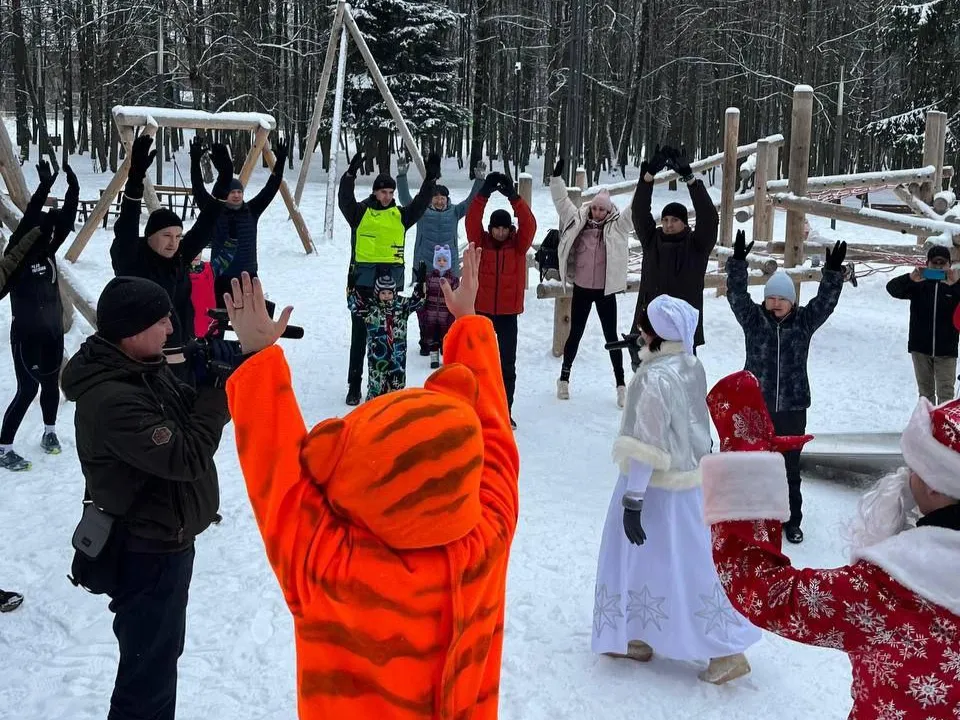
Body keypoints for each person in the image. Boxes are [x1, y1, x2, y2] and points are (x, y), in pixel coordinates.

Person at [223, 247, 520, 719]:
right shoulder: (488, 537)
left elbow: (279, 480)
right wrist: (469, 325)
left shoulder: (333, 569)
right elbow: (497, 442)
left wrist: (258, 359)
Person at [702, 370, 960, 719]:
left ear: (935, 486)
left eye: (914, 465)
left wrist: (746, 457)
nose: (906, 473)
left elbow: (761, 589)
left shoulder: (884, 592)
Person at [61, 276, 232, 720]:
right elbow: (187, 454)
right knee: (147, 678)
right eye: (161, 322)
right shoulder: (111, 398)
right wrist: (217, 391)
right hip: (147, 552)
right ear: (131, 330)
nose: (170, 330)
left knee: (157, 663)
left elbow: (180, 407)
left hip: (166, 542)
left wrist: (203, 366)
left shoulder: (138, 367)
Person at [592, 295, 760, 684]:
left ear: (657, 334)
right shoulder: (689, 364)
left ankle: (725, 649)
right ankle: (639, 633)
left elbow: (647, 443)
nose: (638, 334)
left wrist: (633, 498)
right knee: (666, 562)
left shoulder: (653, 378)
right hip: (689, 486)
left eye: (643, 327)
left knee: (676, 565)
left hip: (655, 489)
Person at [725, 230, 846, 544]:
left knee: (789, 468)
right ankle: (755, 517)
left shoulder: (803, 322)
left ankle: (791, 519)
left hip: (792, 407)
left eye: (782, 298)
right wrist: (737, 263)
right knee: (755, 464)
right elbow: (736, 295)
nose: (775, 303)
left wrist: (832, 274)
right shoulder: (754, 320)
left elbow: (825, 304)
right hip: (757, 405)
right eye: (771, 297)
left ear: (793, 302)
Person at [112, 135, 232, 377]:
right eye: (167, 235)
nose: (173, 242)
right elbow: (127, 223)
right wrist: (135, 177)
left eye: (178, 236)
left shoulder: (178, 257)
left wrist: (225, 180)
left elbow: (206, 223)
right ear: (150, 236)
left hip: (183, 355)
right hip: (144, 364)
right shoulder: (132, 259)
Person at [339, 151, 440, 405]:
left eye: (391, 193)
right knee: (360, 337)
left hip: (390, 287)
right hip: (363, 283)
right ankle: (354, 385)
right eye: (384, 192)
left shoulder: (400, 216)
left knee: (390, 338)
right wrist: (350, 175)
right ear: (375, 192)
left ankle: (390, 384)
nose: (388, 196)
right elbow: (344, 201)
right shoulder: (360, 213)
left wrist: (430, 179)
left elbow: (419, 204)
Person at [0, 159, 79, 471]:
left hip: (52, 333)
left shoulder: (48, 251)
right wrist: (43, 189)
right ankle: (3, 446)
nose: (51, 233)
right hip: (26, 336)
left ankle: (49, 432)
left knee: (49, 385)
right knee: (27, 389)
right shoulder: (15, 256)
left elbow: (66, 222)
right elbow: (29, 221)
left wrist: (72, 190)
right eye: (45, 231)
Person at [550, 158, 632, 407]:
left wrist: (646, 180)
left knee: (611, 337)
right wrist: (556, 179)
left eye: (602, 209)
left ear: (609, 211)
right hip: (583, 289)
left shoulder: (618, 227)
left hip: (606, 291)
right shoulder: (578, 221)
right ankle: (564, 378)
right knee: (575, 333)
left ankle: (620, 385)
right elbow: (562, 202)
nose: (597, 212)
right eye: (595, 208)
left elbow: (634, 210)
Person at [631, 145, 718, 357]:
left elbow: (709, 218)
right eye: (666, 220)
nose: (669, 224)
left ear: (685, 224)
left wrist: (690, 180)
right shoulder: (652, 241)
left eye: (675, 220)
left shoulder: (697, 245)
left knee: (681, 387)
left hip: (682, 333)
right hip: (650, 329)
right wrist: (648, 177)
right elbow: (639, 212)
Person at [466, 171, 536, 427]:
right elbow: (472, 220)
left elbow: (530, 224)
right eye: (496, 227)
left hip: (507, 314)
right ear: (490, 228)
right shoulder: (480, 242)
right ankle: (478, 409)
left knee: (507, 365)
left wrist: (515, 198)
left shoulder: (518, 246)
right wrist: (483, 194)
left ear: (509, 229)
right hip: (482, 312)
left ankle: (505, 411)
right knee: (479, 365)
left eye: (504, 228)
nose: (500, 231)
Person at [189, 136, 287, 303]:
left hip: (248, 276)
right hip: (220, 277)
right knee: (215, 325)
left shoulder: (252, 210)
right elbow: (198, 187)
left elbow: (271, 188)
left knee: (250, 325)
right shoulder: (213, 211)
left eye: (239, 192)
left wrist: (281, 161)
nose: (236, 195)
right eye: (232, 192)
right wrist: (195, 161)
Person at [886, 244, 960, 405]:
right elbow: (892, 289)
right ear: (927, 264)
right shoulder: (918, 285)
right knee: (925, 395)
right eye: (935, 263)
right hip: (920, 348)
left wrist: (955, 286)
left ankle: (943, 428)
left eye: (943, 263)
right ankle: (926, 427)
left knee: (946, 394)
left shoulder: (955, 286)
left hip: (947, 350)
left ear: (949, 264)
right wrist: (909, 279)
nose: (939, 267)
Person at [346, 262, 427, 401]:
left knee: (397, 391)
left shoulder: (401, 307)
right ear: (377, 293)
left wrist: (421, 284)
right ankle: (373, 416)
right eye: (383, 293)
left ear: (394, 292)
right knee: (376, 390)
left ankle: (395, 416)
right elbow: (353, 304)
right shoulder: (370, 308)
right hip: (377, 360)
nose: (387, 296)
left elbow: (418, 301)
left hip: (398, 358)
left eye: (390, 292)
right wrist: (351, 287)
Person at [418, 244, 460, 368]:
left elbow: (456, 296)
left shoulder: (453, 279)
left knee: (446, 337)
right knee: (433, 337)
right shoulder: (430, 278)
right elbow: (424, 294)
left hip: (446, 314)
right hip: (431, 314)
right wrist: (423, 310)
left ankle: (446, 355)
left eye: (444, 260)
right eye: (439, 260)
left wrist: (453, 312)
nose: (442, 262)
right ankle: (434, 358)